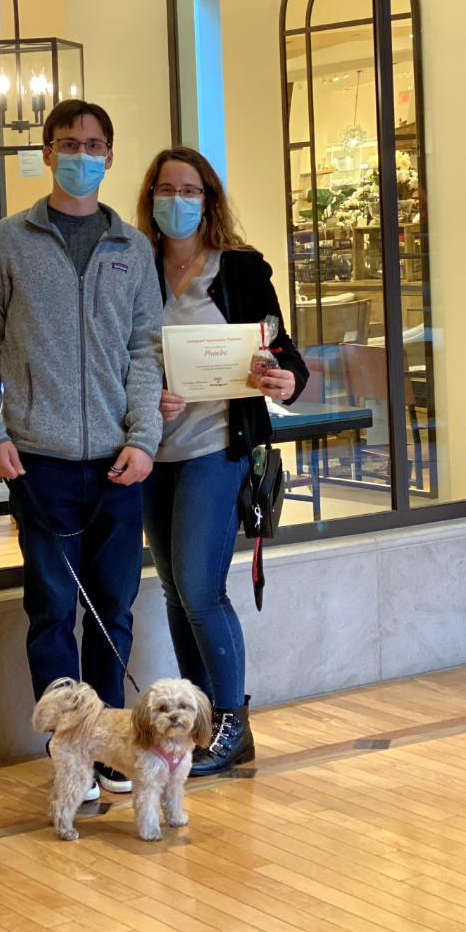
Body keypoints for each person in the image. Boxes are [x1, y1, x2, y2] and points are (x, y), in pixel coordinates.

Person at [0, 99, 163, 798]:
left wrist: (144, 440)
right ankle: (70, 755)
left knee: (112, 611)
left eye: (94, 144)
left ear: (109, 155)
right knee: (52, 610)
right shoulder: (8, 242)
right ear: (47, 153)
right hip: (38, 460)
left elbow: (145, 351)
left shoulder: (132, 248)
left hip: (118, 463)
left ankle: (107, 750)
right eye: (69, 144)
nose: (82, 155)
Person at [135, 147, 308, 775]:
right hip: (151, 451)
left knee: (201, 589)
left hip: (215, 446)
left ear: (208, 199)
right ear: (150, 198)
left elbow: (284, 354)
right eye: (165, 189)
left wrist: (285, 380)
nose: (176, 200)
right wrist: (143, 397)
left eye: (189, 190)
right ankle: (198, 723)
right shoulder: (134, 266)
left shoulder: (239, 270)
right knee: (175, 592)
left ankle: (233, 725)